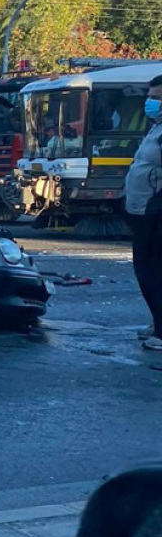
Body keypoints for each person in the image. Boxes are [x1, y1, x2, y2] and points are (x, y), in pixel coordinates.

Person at [123, 75, 162, 351]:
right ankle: (158, 322)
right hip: (142, 209)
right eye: (150, 96)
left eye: (157, 98)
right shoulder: (155, 128)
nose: (150, 102)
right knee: (145, 270)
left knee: (156, 271)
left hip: (156, 210)